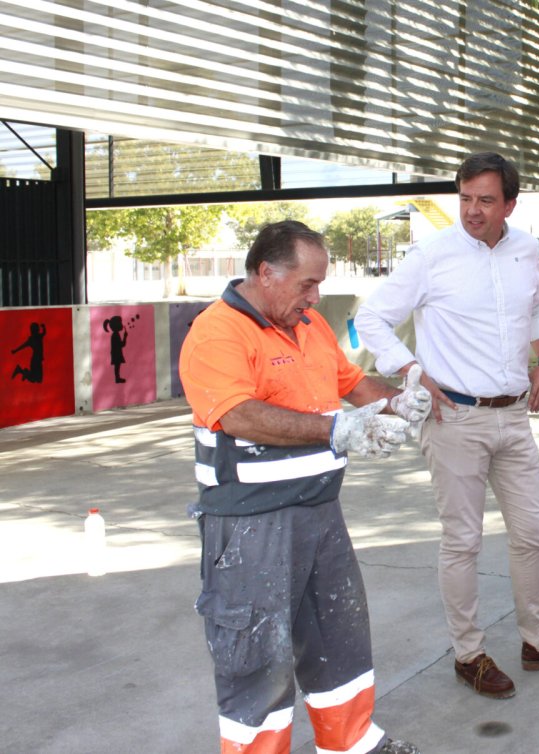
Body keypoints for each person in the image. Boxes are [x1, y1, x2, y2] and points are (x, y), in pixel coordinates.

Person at [179, 220, 432, 754]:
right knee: (257, 662)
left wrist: (394, 400)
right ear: (266, 273)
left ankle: (352, 742)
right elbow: (239, 414)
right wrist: (338, 428)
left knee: (338, 641)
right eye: (306, 284)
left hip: (320, 513)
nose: (315, 297)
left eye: (319, 284)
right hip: (250, 527)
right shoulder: (217, 331)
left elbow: (351, 384)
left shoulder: (310, 324)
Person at [355, 152, 539, 700]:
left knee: (533, 532)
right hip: (454, 418)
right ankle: (469, 654)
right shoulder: (431, 256)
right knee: (462, 541)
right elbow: (369, 318)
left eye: (485, 200)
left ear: (510, 203)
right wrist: (413, 372)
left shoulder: (527, 249)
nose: (472, 211)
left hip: (515, 415)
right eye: (465, 198)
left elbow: (538, 310)